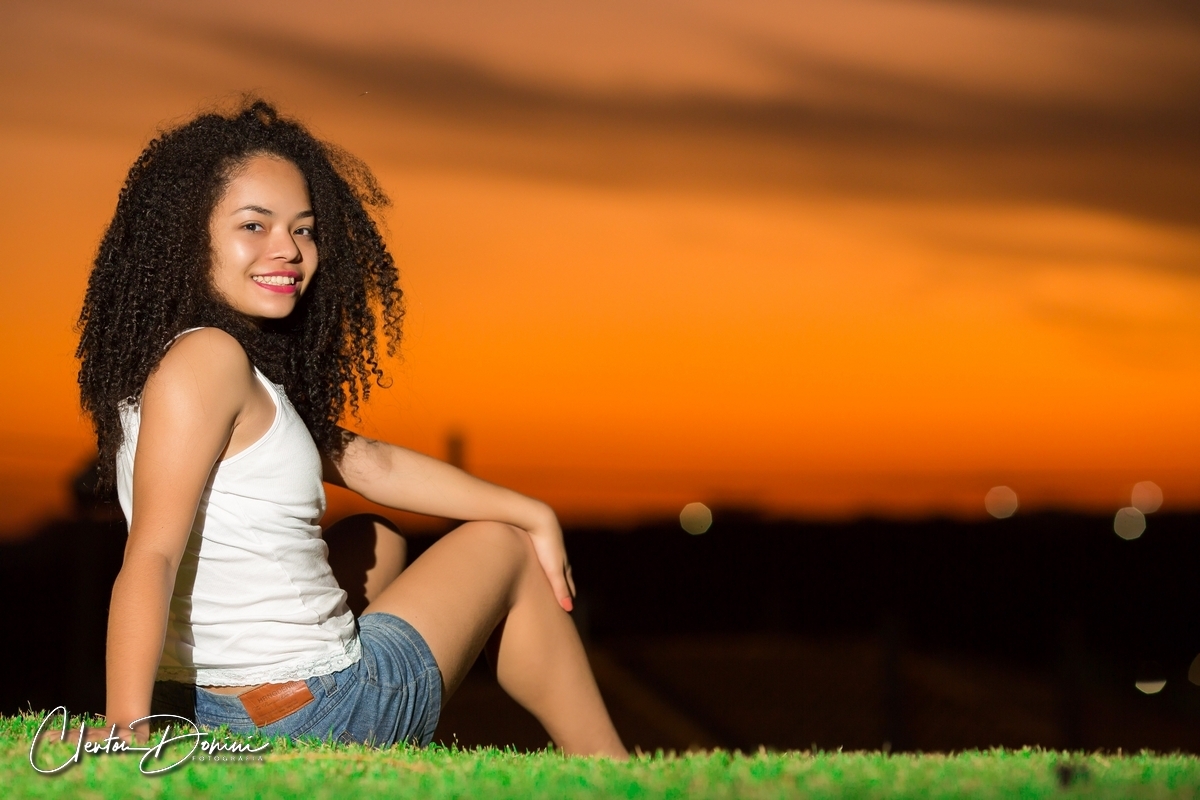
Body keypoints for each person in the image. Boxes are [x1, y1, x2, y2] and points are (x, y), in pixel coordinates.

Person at [74, 99, 626, 757]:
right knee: (502, 547)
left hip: (212, 708)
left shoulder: (189, 360)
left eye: (303, 230)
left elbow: (366, 462)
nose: (287, 250)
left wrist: (532, 506)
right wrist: (126, 724)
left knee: (376, 538)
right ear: (189, 235)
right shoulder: (209, 361)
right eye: (254, 225)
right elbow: (153, 555)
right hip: (300, 718)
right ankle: (611, 767)